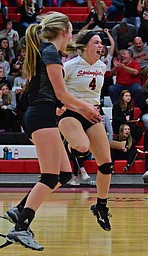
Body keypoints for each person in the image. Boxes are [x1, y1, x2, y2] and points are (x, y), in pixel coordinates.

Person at [1, 12, 100, 251]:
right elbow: (61, 93)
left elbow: (47, 91)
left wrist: (65, 107)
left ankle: (20, 209)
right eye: (71, 32)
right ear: (64, 31)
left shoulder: (46, 51)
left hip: (44, 114)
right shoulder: (50, 52)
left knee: (64, 174)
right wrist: (87, 109)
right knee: (50, 177)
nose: (72, 36)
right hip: (41, 116)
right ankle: (21, 228)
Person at [58, 29, 114, 231]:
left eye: (101, 43)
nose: (100, 45)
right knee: (82, 147)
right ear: (84, 47)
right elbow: (58, 94)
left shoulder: (101, 66)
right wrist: (78, 107)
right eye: (96, 42)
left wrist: (92, 109)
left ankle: (100, 205)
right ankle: (70, 147)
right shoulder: (70, 66)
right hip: (70, 113)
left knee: (106, 164)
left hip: (91, 115)